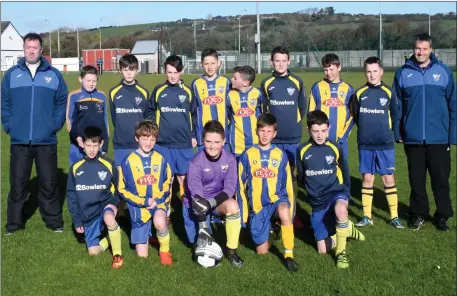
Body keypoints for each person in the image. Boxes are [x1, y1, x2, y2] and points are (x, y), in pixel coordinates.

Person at [1, 32, 68, 234]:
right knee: (18, 184)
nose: (31, 51)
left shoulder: (54, 75)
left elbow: (61, 101)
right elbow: (4, 103)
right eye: (28, 47)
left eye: (35, 47)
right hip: (19, 139)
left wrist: (54, 124)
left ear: (41, 50)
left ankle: (53, 221)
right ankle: (14, 223)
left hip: (46, 139)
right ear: (24, 49)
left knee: (48, 183)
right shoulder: (12, 74)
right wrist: (10, 125)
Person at [393, 33, 456, 231]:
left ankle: (443, 215)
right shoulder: (403, 73)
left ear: (431, 50)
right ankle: (417, 214)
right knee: (416, 180)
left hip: (439, 137)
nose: (420, 52)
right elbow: (396, 106)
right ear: (413, 49)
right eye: (417, 48)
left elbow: (453, 104)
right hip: (413, 138)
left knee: (440, 179)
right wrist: (398, 131)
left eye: (425, 49)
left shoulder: (444, 72)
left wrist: (452, 135)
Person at [296, 110, 365, 269]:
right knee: (322, 250)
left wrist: (345, 194)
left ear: (329, 128)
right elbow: (300, 177)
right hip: (318, 202)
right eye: (315, 131)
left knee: (341, 210)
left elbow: (345, 172)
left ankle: (341, 253)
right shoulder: (302, 150)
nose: (320, 135)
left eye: (323, 130)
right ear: (308, 130)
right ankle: (346, 229)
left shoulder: (335, 147)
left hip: (336, 192)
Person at [237, 114, 298, 272]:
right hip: (258, 206)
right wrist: (244, 213)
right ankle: (272, 230)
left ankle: (289, 255)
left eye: (269, 131)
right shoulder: (248, 155)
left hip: (278, 199)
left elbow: (289, 185)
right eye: (262, 130)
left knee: (284, 211)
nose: (265, 134)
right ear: (256, 131)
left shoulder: (280, 155)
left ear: (275, 133)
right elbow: (240, 186)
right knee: (262, 252)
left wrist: (291, 211)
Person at [351, 57, 405, 229]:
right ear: (365, 73)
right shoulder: (359, 94)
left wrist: (395, 135)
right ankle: (367, 216)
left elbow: (396, 116)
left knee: (388, 178)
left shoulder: (388, 92)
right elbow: (357, 117)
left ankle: (394, 217)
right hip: (366, 144)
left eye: (375, 71)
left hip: (385, 144)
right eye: (368, 71)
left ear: (381, 71)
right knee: (367, 178)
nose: (372, 74)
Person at [184, 120, 244, 267]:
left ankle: (231, 251)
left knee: (233, 205)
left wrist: (211, 203)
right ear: (202, 140)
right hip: (195, 204)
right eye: (208, 141)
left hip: (216, 201)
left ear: (223, 141)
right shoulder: (195, 163)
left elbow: (230, 189)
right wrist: (203, 227)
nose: (212, 146)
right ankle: (202, 237)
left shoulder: (230, 159)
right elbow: (196, 197)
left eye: (216, 142)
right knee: (199, 250)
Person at [66, 126, 123, 268]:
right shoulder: (76, 168)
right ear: (82, 144)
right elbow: (71, 196)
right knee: (93, 252)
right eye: (88, 145)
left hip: (105, 205)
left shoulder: (108, 164)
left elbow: (119, 188)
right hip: (88, 214)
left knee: (109, 217)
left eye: (95, 145)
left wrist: (115, 204)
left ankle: (117, 255)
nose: (91, 149)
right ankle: (109, 238)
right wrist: (77, 220)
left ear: (101, 144)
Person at [118, 120, 173, 264]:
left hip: (157, 203)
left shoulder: (160, 159)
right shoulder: (128, 161)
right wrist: (143, 201)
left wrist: (158, 200)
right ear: (137, 138)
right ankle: (149, 237)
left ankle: (164, 251)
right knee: (142, 257)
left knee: (160, 222)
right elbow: (121, 189)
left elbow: (168, 183)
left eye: (152, 139)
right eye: (145, 138)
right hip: (138, 208)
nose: (148, 142)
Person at [149, 54, 197, 199]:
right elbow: (150, 111)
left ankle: (187, 213)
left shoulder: (188, 91)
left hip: (183, 143)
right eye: (169, 72)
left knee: (184, 180)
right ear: (165, 72)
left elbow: (194, 115)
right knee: (165, 180)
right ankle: (165, 212)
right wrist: (153, 131)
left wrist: (193, 135)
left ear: (181, 71)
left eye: (175, 72)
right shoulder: (159, 90)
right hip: (163, 144)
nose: (172, 76)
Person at [259, 46, 306, 172]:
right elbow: (263, 109)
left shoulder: (297, 81)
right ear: (271, 62)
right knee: (273, 171)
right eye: (277, 61)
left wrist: (293, 124)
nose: (281, 64)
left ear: (289, 61)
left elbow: (302, 107)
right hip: (273, 137)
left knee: (292, 171)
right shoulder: (266, 82)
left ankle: (292, 192)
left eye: (284, 61)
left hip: (292, 136)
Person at [308, 53, 355, 159]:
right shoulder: (317, 87)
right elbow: (310, 113)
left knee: (342, 172)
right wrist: (314, 134)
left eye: (331, 69)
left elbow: (353, 115)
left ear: (339, 67)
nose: (328, 73)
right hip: (320, 140)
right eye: (325, 70)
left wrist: (343, 136)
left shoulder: (348, 89)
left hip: (340, 140)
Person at [109, 54, 151, 167]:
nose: (128, 73)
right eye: (125, 69)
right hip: (120, 143)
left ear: (137, 70)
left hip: (139, 143)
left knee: (138, 178)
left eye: (132, 70)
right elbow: (114, 118)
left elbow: (147, 118)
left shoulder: (144, 92)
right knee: (121, 178)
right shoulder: (114, 92)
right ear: (120, 70)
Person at [66, 65, 109, 166]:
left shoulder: (101, 96)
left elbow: (105, 121)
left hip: (96, 146)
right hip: (78, 145)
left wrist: (105, 145)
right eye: (88, 80)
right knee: (77, 177)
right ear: (80, 79)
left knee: (95, 178)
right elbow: (69, 121)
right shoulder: (73, 96)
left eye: (94, 81)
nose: (91, 84)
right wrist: (77, 138)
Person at [191, 48, 231, 152]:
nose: (210, 67)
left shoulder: (226, 82)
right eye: (206, 64)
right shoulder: (196, 84)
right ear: (201, 64)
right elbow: (193, 111)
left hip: (223, 135)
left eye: (213, 63)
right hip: (203, 135)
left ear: (219, 63)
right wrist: (194, 134)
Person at [227, 65, 263, 161]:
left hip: (255, 140)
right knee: (238, 171)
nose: (231, 80)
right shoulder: (229, 95)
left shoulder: (257, 93)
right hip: (236, 142)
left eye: (235, 78)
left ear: (245, 82)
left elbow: (262, 114)